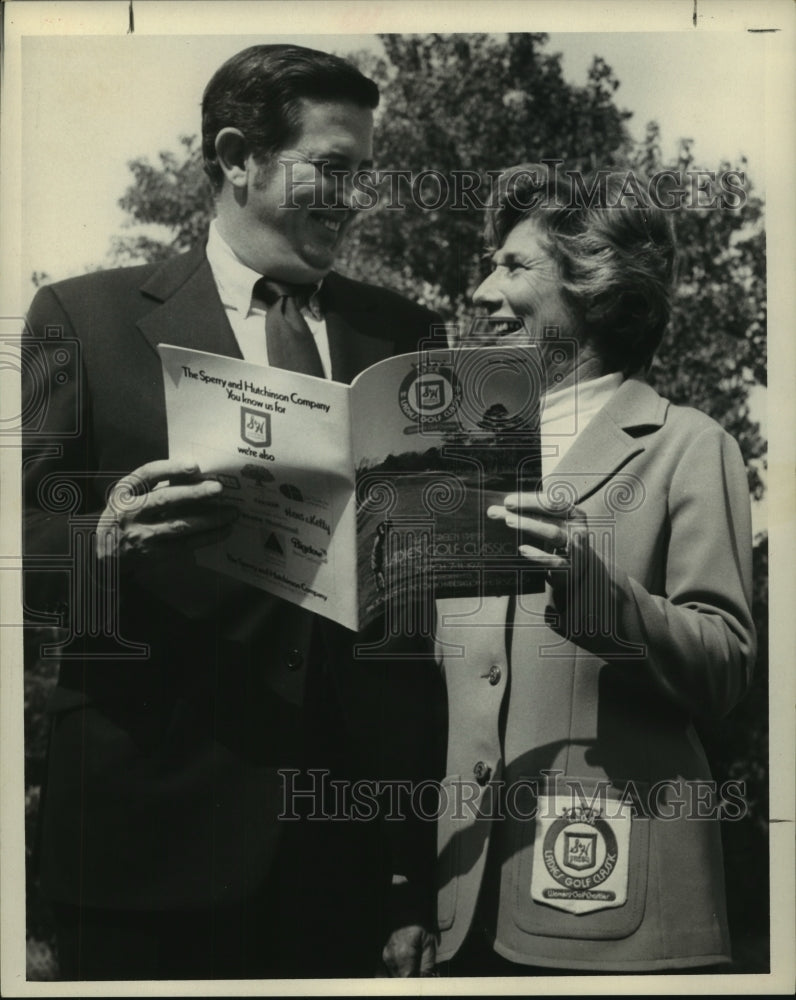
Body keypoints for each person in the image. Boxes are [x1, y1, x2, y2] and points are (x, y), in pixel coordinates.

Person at [23, 44, 440, 980]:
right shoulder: (81, 320)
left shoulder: (404, 336)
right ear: (237, 155)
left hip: (340, 847)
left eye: (362, 175)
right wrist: (103, 540)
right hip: (144, 838)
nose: (354, 197)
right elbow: (18, 548)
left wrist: (409, 860)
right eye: (332, 169)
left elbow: (413, 623)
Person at [432, 164, 756, 973]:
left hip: (612, 898)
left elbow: (726, 668)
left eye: (513, 266)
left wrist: (597, 590)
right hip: (460, 900)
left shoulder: (689, 443)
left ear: (595, 283)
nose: (480, 290)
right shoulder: (456, 455)